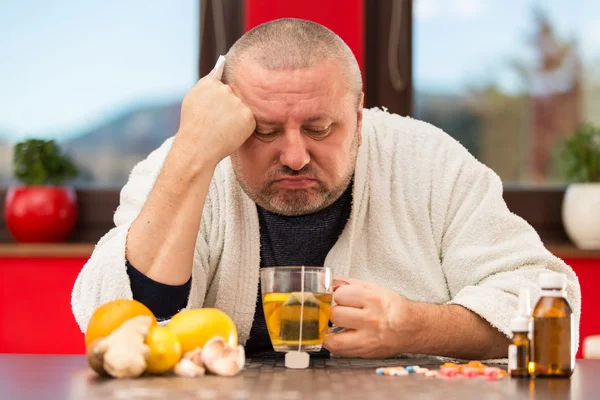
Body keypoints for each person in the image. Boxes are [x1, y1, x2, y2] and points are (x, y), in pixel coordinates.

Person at [71, 18, 581, 360]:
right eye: (263, 130)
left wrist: (416, 327)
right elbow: (112, 322)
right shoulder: (181, 163)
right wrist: (190, 155)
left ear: (358, 120)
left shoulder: (430, 161)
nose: (295, 156)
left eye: (320, 129)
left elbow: (545, 300)